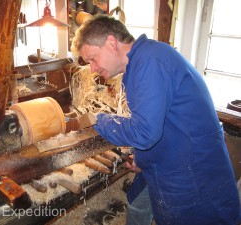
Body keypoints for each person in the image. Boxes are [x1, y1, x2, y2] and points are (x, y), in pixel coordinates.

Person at [71, 14, 241, 225]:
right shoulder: (143, 61)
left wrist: (100, 119)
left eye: (92, 59)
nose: (92, 69)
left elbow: (144, 133)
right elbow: (160, 123)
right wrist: (143, 160)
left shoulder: (150, 62)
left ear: (111, 43)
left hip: (193, 178)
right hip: (177, 165)